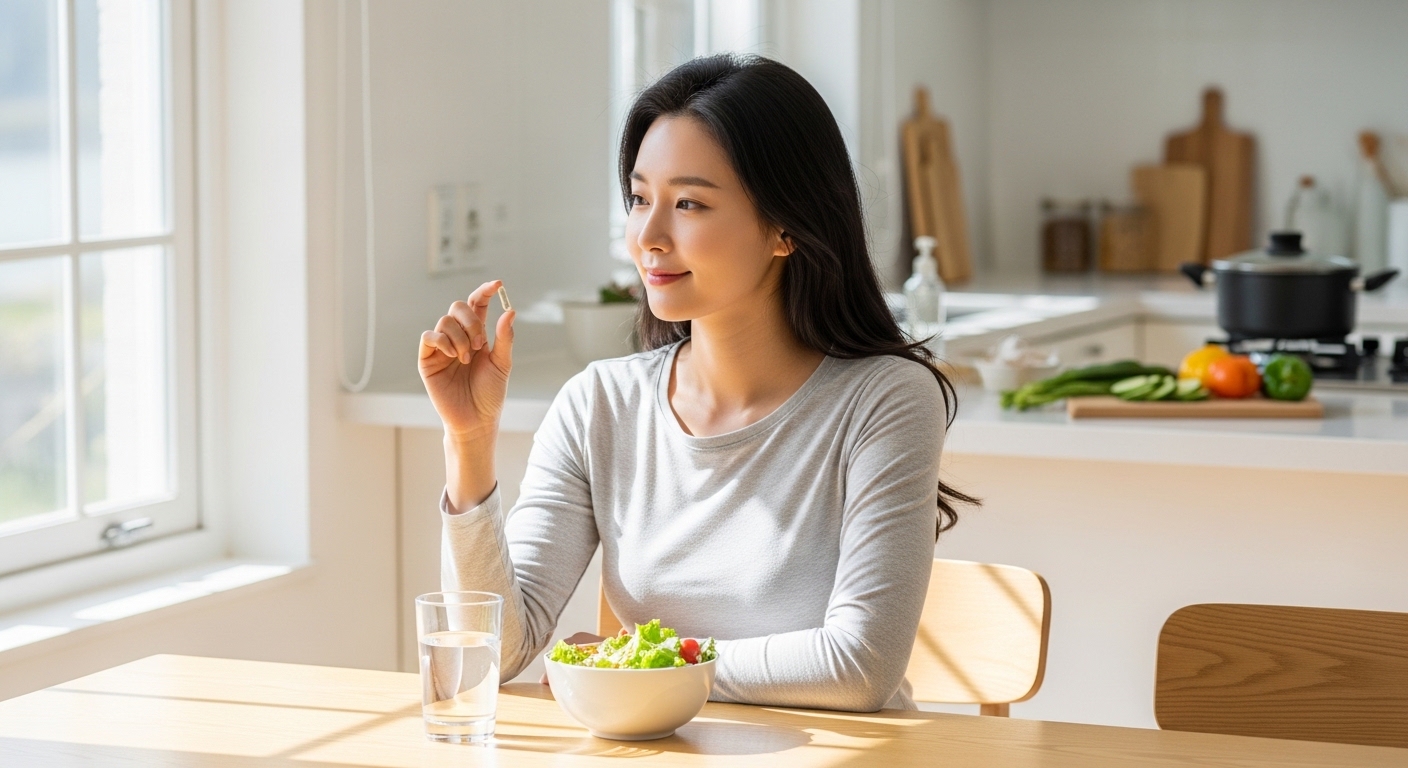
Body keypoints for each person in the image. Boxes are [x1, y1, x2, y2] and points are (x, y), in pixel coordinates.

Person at [418, 54, 975, 712]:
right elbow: (498, 652)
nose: (649, 236)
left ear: (784, 228)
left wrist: (644, 663)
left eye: (689, 203)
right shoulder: (599, 404)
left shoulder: (883, 400)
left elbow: (860, 664)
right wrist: (470, 440)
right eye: (639, 198)